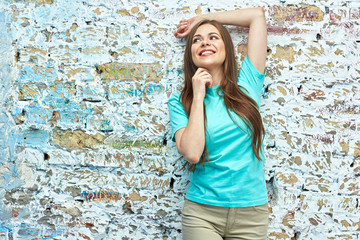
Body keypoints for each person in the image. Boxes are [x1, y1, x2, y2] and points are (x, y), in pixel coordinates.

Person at [167, 7, 269, 240]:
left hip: (251, 214)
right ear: (190, 53)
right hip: (202, 213)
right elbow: (192, 153)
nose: (205, 43)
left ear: (226, 47)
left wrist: (203, 19)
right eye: (197, 40)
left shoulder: (248, 85)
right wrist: (199, 95)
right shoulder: (180, 102)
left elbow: (257, 16)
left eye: (213, 37)